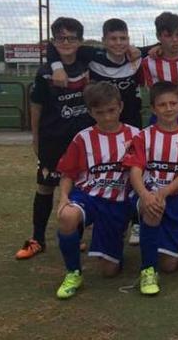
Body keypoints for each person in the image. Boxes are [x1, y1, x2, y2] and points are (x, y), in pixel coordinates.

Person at [15, 17, 94, 260]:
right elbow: (36, 107)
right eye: (61, 38)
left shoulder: (87, 63)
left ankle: (75, 235)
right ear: (54, 41)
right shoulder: (46, 72)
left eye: (72, 38)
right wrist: (35, 137)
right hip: (53, 139)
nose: (67, 42)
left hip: (80, 141)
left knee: (80, 186)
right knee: (45, 186)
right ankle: (37, 239)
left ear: (80, 41)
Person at [53, 82, 140, 299]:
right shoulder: (83, 138)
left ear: (120, 107)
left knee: (109, 271)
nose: (107, 117)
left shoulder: (137, 136)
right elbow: (68, 173)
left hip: (118, 203)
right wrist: (63, 198)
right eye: (100, 113)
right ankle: (73, 273)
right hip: (88, 196)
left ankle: (114, 241)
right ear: (91, 112)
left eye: (111, 111)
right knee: (67, 216)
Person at [123, 81, 178, 295]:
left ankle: (154, 240)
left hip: (176, 199)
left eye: (173, 103)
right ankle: (147, 270)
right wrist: (146, 195)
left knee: (169, 265)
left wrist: (165, 191)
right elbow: (135, 170)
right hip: (148, 193)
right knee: (153, 208)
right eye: (162, 105)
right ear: (153, 109)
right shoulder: (143, 136)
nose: (168, 108)